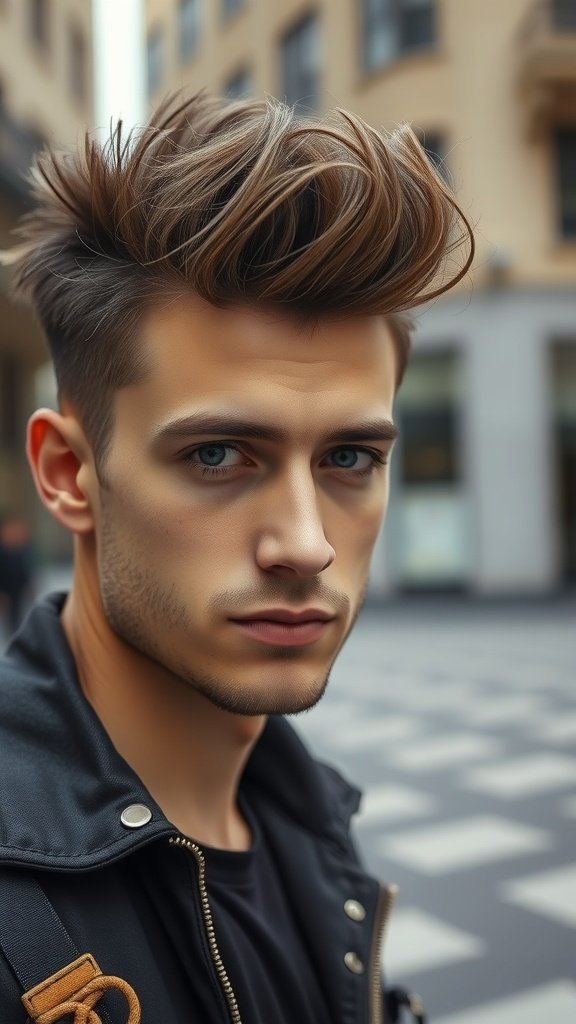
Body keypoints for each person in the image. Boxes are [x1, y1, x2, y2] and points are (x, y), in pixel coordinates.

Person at [0, 92, 473, 1024]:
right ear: (69, 474)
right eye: (216, 455)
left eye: (350, 458)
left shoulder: (307, 819)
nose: (305, 544)